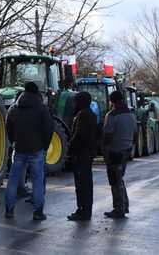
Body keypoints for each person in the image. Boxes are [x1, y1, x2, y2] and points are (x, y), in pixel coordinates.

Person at [4, 82, 53, 221]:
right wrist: (44, 145)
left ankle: (9, 209)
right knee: (37, 181)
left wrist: (14, 141)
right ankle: (38, 212)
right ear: (37, 93)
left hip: (19, 149)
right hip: (37, 150)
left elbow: (9, 128)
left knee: (13, 180)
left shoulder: (13, 109)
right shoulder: (42, 109)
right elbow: (48, 129)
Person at [102, 90, 136, 219]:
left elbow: (108, 134)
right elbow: (135, 132)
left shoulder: (111, 115)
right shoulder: (131, 114)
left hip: (114, 150)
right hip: (126, 149)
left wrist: (105, 150)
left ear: (111, 101)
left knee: (115, 181)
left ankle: (119, 208)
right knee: (119, 178)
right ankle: (124, 205)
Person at [67, 91, 98, 221]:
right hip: (88, 153)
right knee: (86, 183)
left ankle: (82, 211)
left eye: (76, 101)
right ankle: (86, 210)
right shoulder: (91, 114)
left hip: (81, 154)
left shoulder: (82, 115)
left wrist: (69, 146)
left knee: (81, 184)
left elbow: (78, 135)